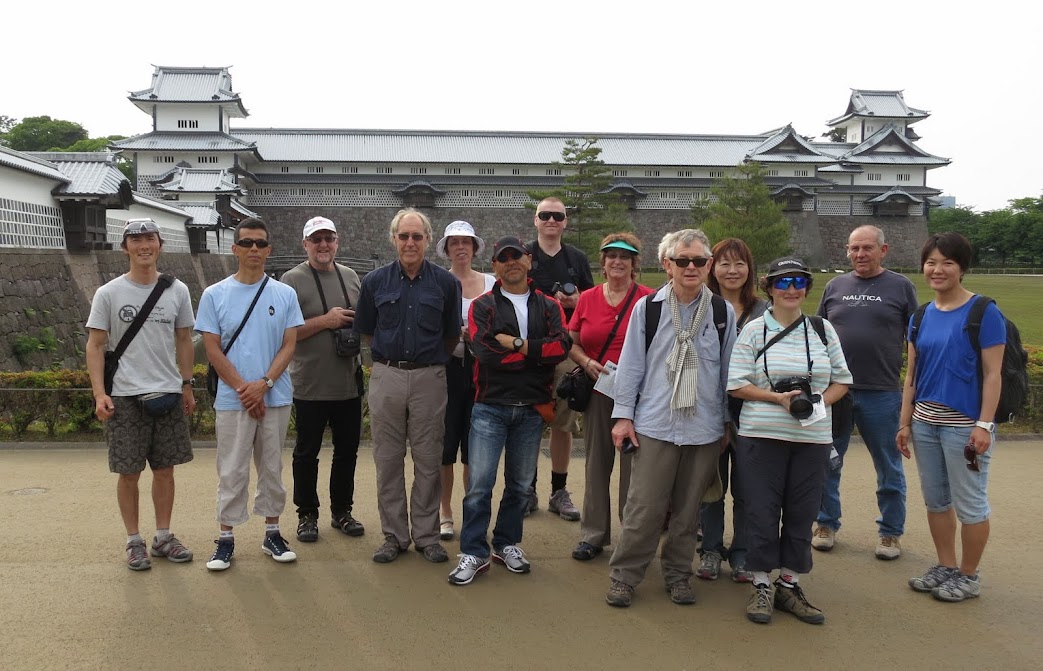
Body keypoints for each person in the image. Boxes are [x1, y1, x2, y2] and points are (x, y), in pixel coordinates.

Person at [605, 229, 735, 608]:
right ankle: (625, 575)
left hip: (703, 426)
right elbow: (630, 367)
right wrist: (623, 417)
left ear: (709, 265)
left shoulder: (721, 312)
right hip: (656, 423)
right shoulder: (650, 308)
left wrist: (726, 423)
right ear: (667, 265)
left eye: (698, 261)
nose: (691, 267)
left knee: (688, 511)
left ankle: (679, 574)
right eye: (682, 260)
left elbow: (727, 372)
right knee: (644, 507)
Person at [727, 256, 852, 625]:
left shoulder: (823, 329)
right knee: (762, 510)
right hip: (761, 435)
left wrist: (816, 401)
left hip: (811, 436)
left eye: (799, 281)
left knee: (802, 511)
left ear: (807, 288)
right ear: (768, 288)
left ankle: (789, 583)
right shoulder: (753, 330)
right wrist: (778, 398)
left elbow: (842, 381)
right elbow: (735, 384)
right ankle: (761, 582)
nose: (792, 289)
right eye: (783, 282)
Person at [448, 237, 571, 585]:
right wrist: (536, 354)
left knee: (519, 486)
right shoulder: (483, 306)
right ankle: (473, 550)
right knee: (480, 486)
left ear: (529, 261)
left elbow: (561, 346)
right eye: (503, 258)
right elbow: (486, 354)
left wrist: (517, 344)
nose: (511, 262)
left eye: (517, 256)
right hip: (490, 406)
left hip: (532, 409)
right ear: (495, 267)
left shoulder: (548, 306)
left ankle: (506, 543)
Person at [897, 232, 1004, 603]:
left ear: (962, 268)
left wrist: (984, 424)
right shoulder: (921, 315)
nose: (937, 269)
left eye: (947, 262)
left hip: (964, 427)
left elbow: (993, 374)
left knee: (970, 502)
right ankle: (945, 566)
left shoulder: (984, 312)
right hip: (925, 422)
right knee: (936, 500)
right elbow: (911, 375)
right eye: (931, 262)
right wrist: (905, 422)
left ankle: (969, 575)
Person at [85, 218, 196, 571]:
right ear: (125, 248)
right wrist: (99, 392)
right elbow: (96, 344)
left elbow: (183, 339)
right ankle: (134, 540)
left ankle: (163, 536)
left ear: (160, 245)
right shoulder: (109, 293)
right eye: (136, 240)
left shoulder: (177, 290)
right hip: (124, 396)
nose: (144, 245)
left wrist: (187, 385)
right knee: (128, 472)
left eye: (150, 239)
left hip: (167, 392)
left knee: (165, 470)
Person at [353, 208, 462, 564]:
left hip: (430, 376)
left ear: (429, 240)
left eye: (417, 236)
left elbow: (450, 336)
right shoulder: (374, 282)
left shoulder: (446, 284)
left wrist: (425, 363)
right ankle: (393, 536)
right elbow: (368, 332)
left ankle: (427, 536)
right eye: (404, 236)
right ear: (394, 239)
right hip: (388, 374)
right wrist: (394, 363)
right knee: (387, 459)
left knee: (429, 458)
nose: (411, 242)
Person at [196, 218, 304, 571]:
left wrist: (265, 384)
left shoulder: (284, 293)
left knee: (272, 466)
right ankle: (225, 538)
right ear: (235, 249)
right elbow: (212, 349)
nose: (254, 250)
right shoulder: (215, 294)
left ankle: (272, 531)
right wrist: (245, 388)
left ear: (268, 249)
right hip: (233, 398)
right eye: (247, 243)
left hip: (275, 395)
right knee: (231, 469)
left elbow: (290, 344)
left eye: (260, 244)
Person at [813, 225, 919, 559]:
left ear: (883, 250)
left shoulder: (901, 287)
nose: (860, 254)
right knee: (828, 462)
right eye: (854, 248)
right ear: (847, 250)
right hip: (836, 392)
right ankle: (826, 523)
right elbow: (818, 333)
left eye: (867, 248)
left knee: (888, 466)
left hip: (882, 391)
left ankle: (890, 533)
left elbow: (916, 339)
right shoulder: (835, 285)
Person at [568, 233, 654, 561]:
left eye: (625, 256)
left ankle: (630, 533)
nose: (617, 261)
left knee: (635, 467)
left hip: (638, 393)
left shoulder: (648, 298)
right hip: (599, 388)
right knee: (596, 463)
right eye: (611, 255)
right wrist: (586, 361)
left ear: (634, 263)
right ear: (602, 262)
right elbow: (572, 342)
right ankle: (593, 534)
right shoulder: (588, 298)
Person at [281, 216, 365, 543]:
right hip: (309, 384)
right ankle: (307, 514)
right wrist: (326, 321)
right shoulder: (291, 280)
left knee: (347, 452)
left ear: (337, 242)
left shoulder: (351, 277)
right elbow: (285, 334)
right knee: (306, 453)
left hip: (348, 381)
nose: (323, 245)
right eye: (316, 239)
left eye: (329, 238)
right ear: (305, 244)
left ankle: (342, 510)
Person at [696, 237, 768, 582]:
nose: (732, 270)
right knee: (711, 485)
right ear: (713, 267)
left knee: (747, 486)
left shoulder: (764, 311)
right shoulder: (699, 307)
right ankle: (710, 549)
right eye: (724, 263)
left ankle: (741, 551)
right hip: (708, 409)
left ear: (749, 269)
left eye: (739, 263)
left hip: (752, 413)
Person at [526, 197, 595, 520]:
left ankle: (558, 490)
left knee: (562, 424)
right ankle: (526, 488)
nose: (551, 221)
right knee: (527, 423)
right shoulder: (524, 255)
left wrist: (576, 299)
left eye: (558, 216)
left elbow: (592, 302)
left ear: (565, 222)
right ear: (536, 220)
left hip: (566, 349)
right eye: (545, 215)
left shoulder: (577, 258)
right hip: (530, 349)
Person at [435, 221, 496, 541]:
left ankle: (473, 511)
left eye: (466, 242)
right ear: (446, 249)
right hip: (447, 371)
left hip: (482, 373)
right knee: (445, 447)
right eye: (454, 242)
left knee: (477, 449)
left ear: (474, 248)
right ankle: (444, 512)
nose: (461, 248)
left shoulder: (491, 283)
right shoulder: (438, 282)